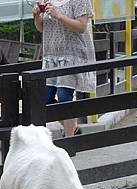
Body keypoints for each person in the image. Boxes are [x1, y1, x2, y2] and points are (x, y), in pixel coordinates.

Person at [33, 0, 96, 138]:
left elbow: (81, 26)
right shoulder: (47, 0)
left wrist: (59, 15)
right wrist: (37, 16)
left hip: (72, 55)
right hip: (51, 56)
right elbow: (42, 28)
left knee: (64, 96)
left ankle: (69, 140)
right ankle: (72, 128)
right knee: (45, 98)